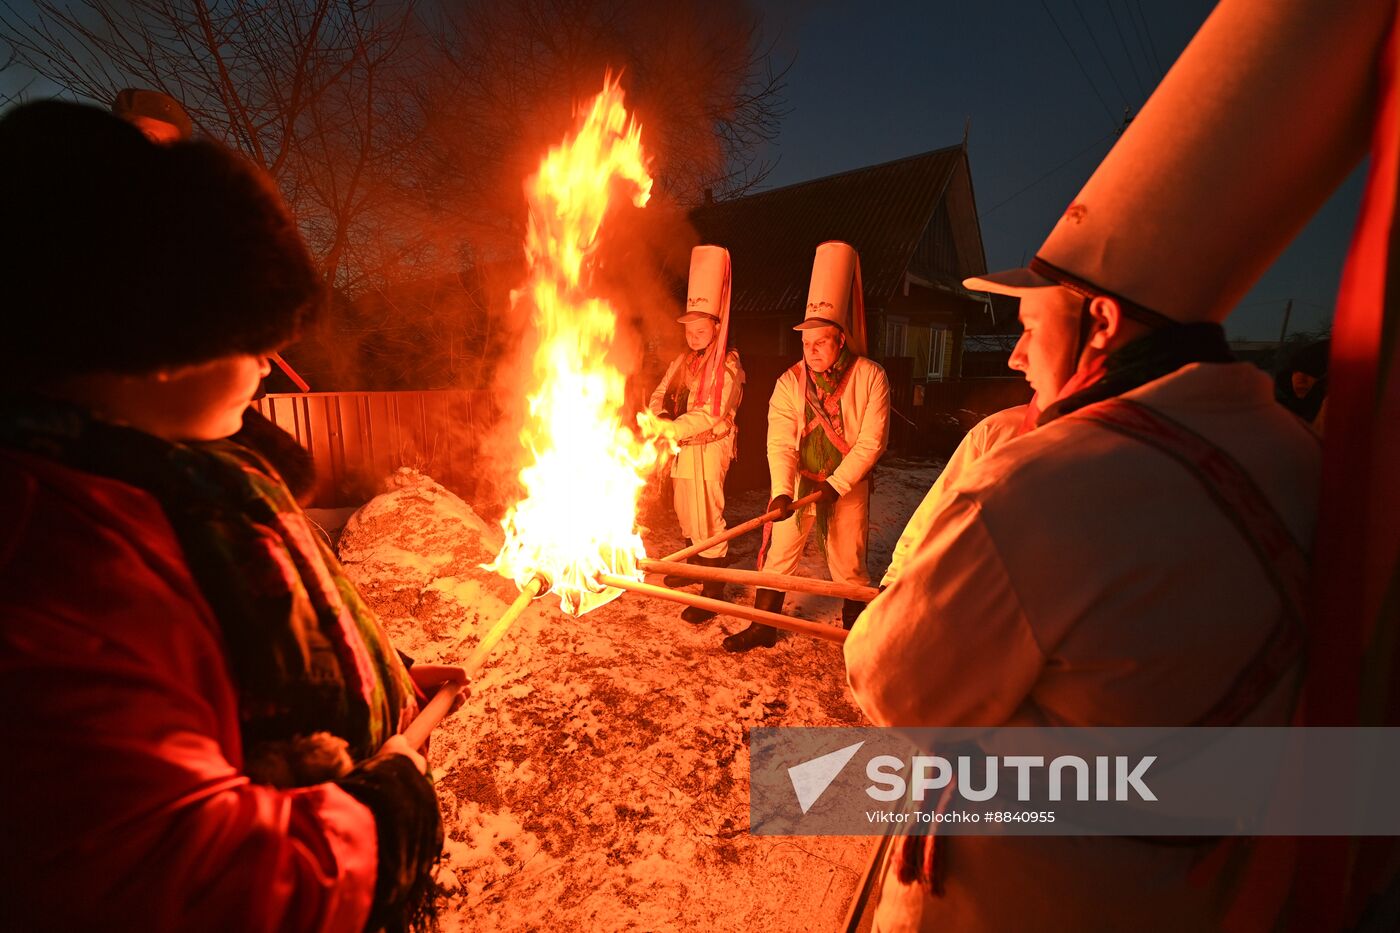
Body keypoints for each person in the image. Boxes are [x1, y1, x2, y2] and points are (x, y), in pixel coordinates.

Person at [839, 0, 1393, 926]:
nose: (1015, 352)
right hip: (1190, 901)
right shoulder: (1294, 454)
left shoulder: (1049, 487)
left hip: (1012, 905)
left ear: (1098, 321)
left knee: (805, 781)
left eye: (1028, 325)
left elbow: (887, 677)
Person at [0, 100, 464, 931]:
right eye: (248, 333)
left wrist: (377, 691)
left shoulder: (171, 484)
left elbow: (244, 657)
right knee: (788, 780)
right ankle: (790, 786)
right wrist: (380, 822)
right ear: (148, 338)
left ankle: (788, 783)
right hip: (316, 874)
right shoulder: (58, 556)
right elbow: (183, 877)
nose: (266, 361)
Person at [112, 86, 321, 504]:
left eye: (162, 143)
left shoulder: (202, 222)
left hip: (209, 395)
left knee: (282, 475)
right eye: (138, 138)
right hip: (134, 401)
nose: (149, 153)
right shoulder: (86, 217)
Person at [723, 241, 890, 652]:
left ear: (840, 340)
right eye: (805, 343)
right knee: (779, 554)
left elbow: (872, 440)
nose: (810, 351)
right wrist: (782, 489)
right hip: (799, 483)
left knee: (849, 566)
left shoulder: (871, 377)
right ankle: (764, 627)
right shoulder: (788, 383)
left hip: (846, 487)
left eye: (820, 342)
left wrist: (839, 482)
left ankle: (859, 640)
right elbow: (780, 441)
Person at [648, 245, 745, 623]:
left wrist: (671, 427)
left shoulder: (728, 366)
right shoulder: (681, 361)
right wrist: (660, 415)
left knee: (708, 518)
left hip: (708, 449)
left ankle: (712, 591)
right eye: (689, 329)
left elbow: (710, 413)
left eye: (700, 330)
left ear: (717, 329)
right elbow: (659, 392)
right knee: (686, 515)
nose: (693, 336)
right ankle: (692, 570)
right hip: (681, 449)